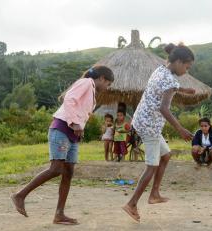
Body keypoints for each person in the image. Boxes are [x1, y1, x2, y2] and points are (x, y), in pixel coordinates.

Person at [11, 66, 114, 225]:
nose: (108, 87)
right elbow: (69, 99)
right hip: (62, 129)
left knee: (69, 172)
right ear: (101, 78)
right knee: (56, 168)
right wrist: (74, 123)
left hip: (72, 134)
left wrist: (80, 127)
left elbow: (80, 110)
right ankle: (20, 195)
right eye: (108, 83)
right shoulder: (86, 82)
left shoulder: (92, 90)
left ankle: (59, 214)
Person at [123, 43, 196, 222]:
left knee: (166, 156)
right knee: (152, 166)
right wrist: (180, 129)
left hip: (142, 120)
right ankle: (132, 203)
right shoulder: (170, 81)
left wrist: (183, 89)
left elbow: (164, 87)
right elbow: (164, 108)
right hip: (150, 126)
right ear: (178, 62)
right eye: (186, 67)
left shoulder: (161, 70)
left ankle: (154, 193)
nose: (186, 71)